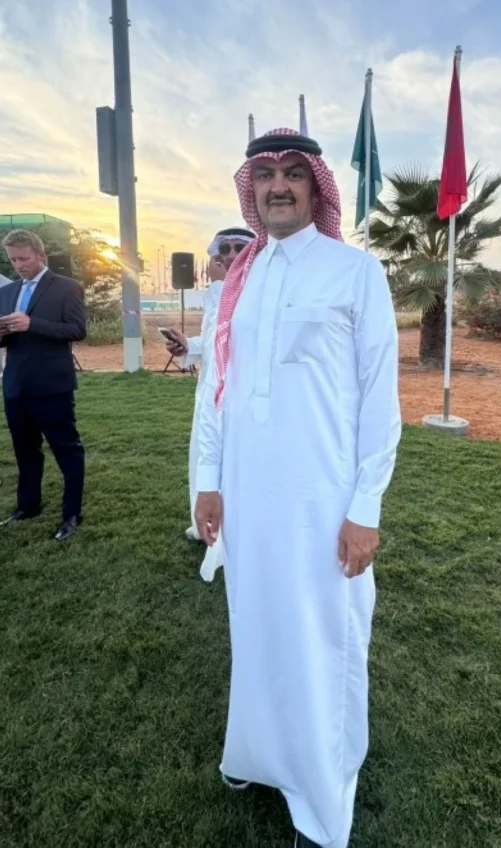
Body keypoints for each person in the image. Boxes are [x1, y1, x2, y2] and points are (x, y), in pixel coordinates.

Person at [195, 129, 401, 847]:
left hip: (322, 498)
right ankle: (255, 754)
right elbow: (216, 388)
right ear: (250, 189)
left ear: (316, 188)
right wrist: (208, 481)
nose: (277, 185)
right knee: (255, 626)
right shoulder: (241, 277)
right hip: (248, 495)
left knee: (322, 637)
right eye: (265, 174)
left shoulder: (354, 271)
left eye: (292, 173)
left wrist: (365, 507)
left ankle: (321, 796)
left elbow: (379, 401)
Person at [164, 227, 254, 581]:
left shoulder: (257, 288)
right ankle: (204, 522)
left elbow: (238, 339)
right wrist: (188, 345)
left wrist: (219, 285)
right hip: (209, 392)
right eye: (225, 249)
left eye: (239, 248)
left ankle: (230, 536)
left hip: (239, 397)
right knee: (203, 458)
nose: (230, 255)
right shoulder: (217, 291)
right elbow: (214, 338)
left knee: (231, 465)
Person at [0, 230, 87, 542]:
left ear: (41, 255)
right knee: (25, 450)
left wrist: (31, 324)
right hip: (15, 385)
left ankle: (71, 514)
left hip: (52, 386)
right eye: (13, 260)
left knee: (67, 451)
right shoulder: (8, 292)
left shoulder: (67, 287)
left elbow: (77, 330)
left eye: (24, 258)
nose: (19, 265)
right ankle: (28, 505)